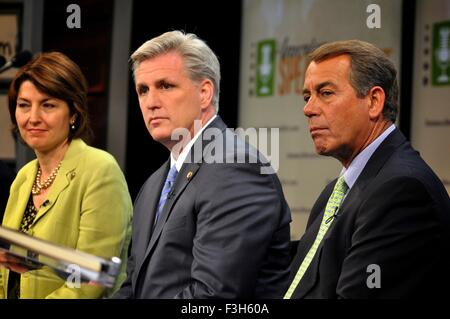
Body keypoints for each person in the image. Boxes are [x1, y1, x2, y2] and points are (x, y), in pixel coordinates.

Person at [113, 30, 291, 298]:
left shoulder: (236, 168)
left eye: (165, 86)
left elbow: (211, 296)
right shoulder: (153, 185)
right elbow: (133, 287)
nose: (150, 102)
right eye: (143, 90)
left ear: (205, 93)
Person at [284, 40, 450, 299]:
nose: (308, 109)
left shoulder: (402, 190)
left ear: (374, 101)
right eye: (307, 97)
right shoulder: (336, 191)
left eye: (325, 93)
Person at [0, 52, 132, 299]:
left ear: (73, 113)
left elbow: (90, 280)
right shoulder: (24, 177)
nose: (33, 118)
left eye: (48, 105)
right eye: (24, 105)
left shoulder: (100, 170)